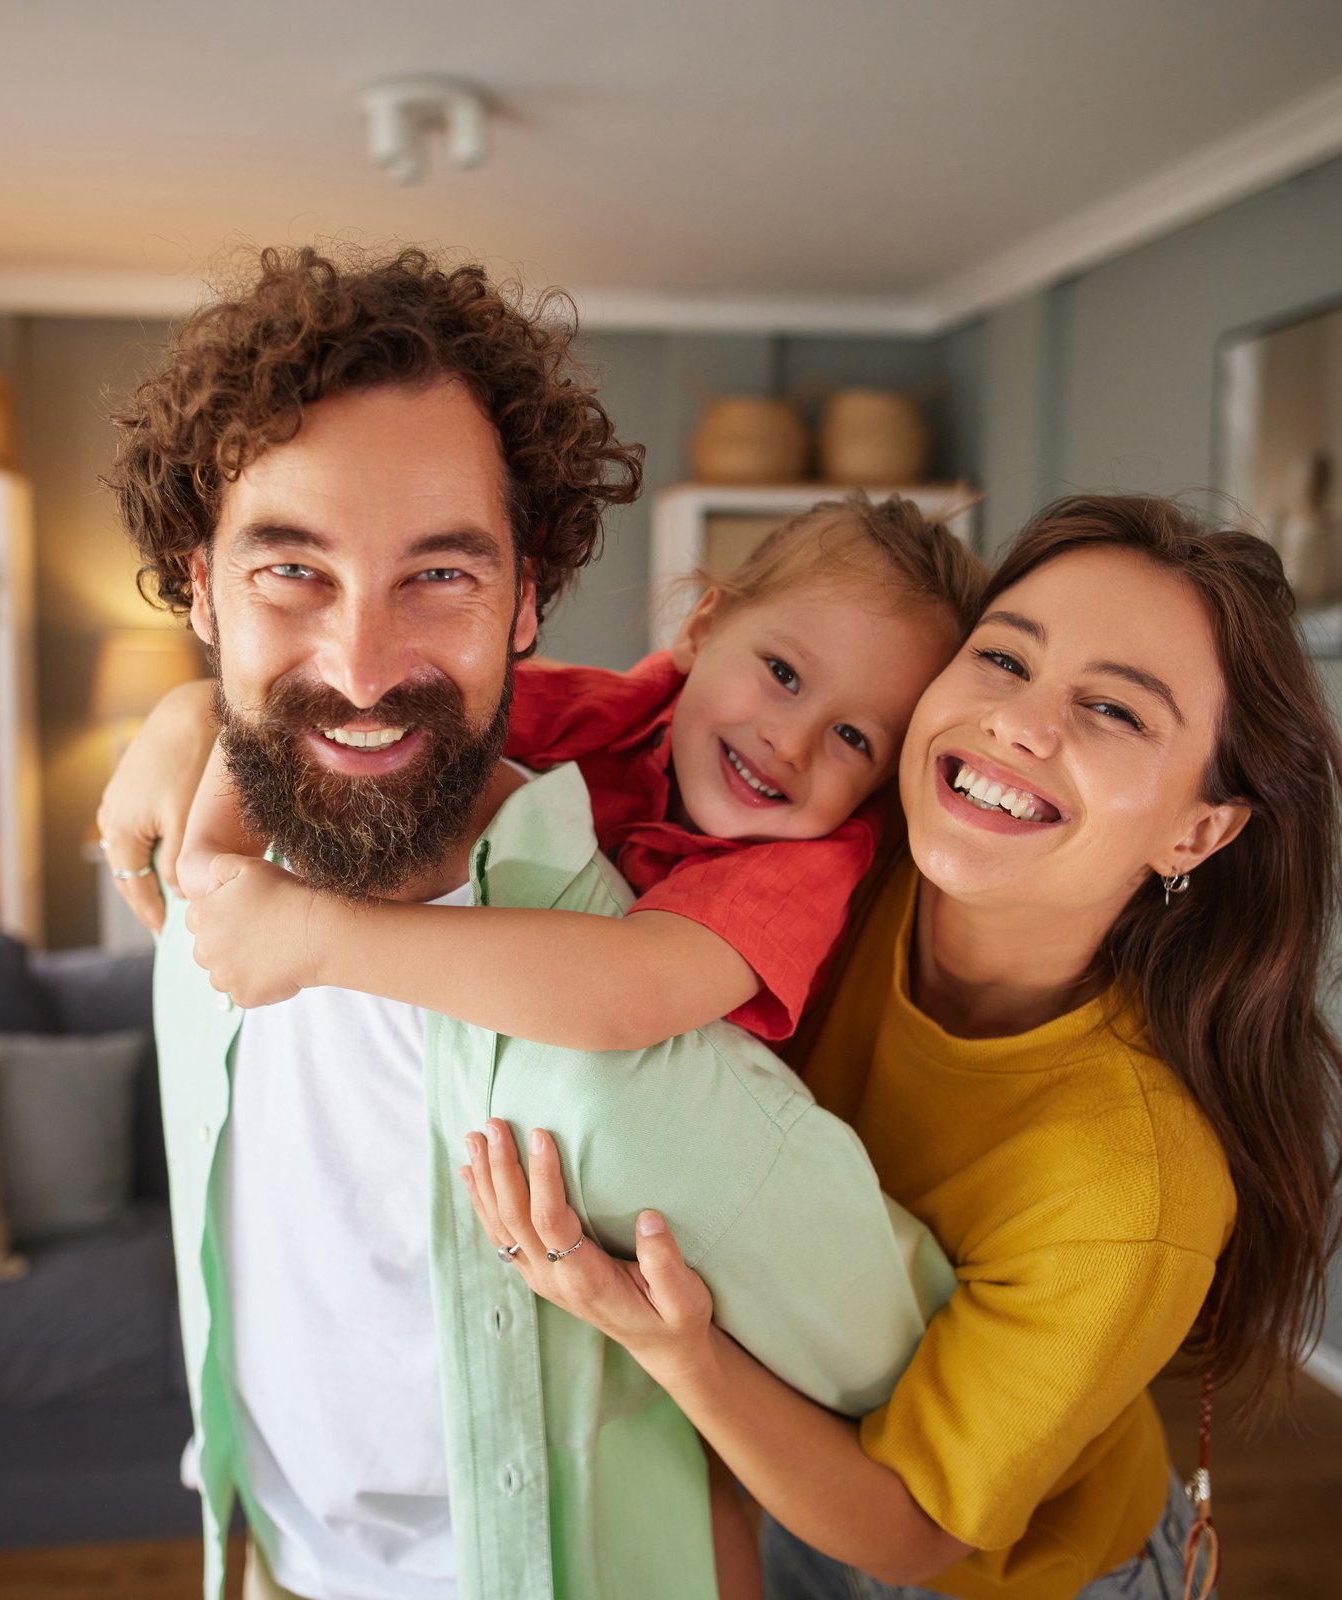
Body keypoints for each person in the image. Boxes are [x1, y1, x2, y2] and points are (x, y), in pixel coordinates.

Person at [100, 244, 952, 1600]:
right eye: (291, 572)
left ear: (529, 601)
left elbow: (903, 1369)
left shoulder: (640, 1070)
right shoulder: (184, 888)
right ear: (198, 586)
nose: (364, 666)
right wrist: (183, 716)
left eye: (439, 575)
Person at [464, 495, 1342, 1600]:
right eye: (1002, 658)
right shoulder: (835, 830)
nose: (1019, 725)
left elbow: (909, 1528)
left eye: (1115, 711)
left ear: (1198, 829)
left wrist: (671, 1347)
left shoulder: (1135, 1185)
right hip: (777, 1446)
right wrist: (186, 730)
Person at [173, 492, 977, 1049]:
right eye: (784, 674)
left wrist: (320, 940)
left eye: (853, 737)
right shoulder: (615, 711)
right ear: (703, 628)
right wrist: (209, 852)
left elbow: (631, 992)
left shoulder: (811, 861)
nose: (792, 743)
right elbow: (346, 715)